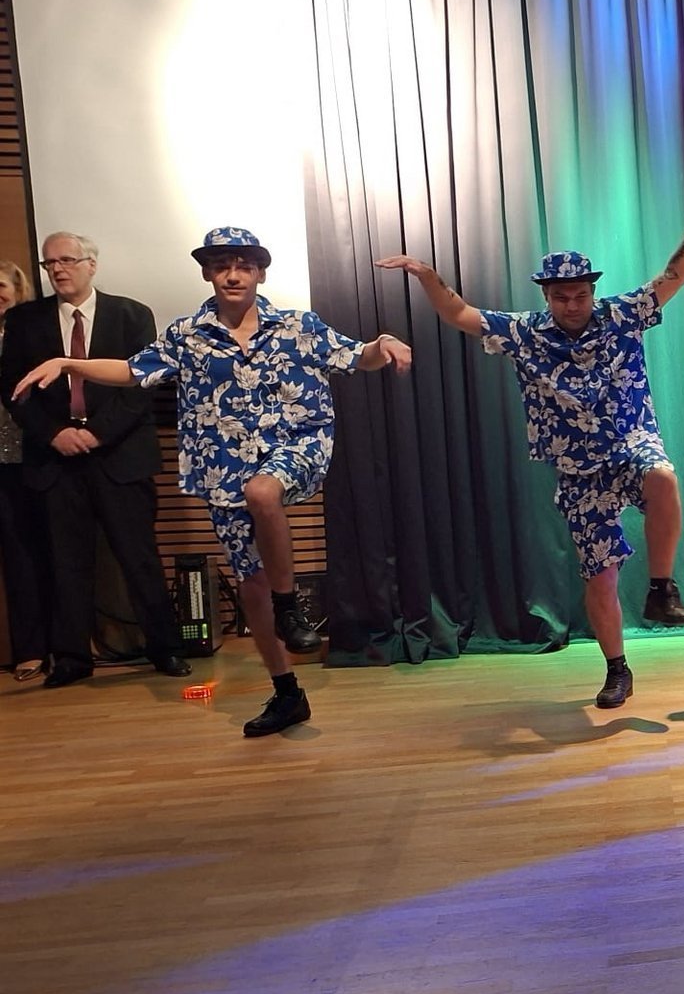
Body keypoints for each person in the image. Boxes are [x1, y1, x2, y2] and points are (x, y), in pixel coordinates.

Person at [13, 229, 413, 734]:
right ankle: (287, 692)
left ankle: (290, 609)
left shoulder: (298, 326)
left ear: (260, 273)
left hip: (297, 444)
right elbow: (132, 371)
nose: (233, 274)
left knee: (263, 490)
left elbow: (358, 357)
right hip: (221, 465)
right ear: (207, 273)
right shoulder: (188, 334)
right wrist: (69, 362)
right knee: (252, 583)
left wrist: (383, 343)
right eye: (222, 265)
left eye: (244, 265)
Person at [378, 202, 684, 708]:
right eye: (561, 297)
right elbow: (459, 313)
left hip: (630, 444)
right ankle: (617, 669)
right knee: (600, 576)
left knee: (662, 476)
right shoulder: (525, 332)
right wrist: (426, 275)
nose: (573, 306)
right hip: (578, 471)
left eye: (580, 296)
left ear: (592, 291)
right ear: (546, 296)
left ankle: (661, 589)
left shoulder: (621, 316)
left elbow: (674, 275)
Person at [0, 232, 188, 686]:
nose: (59, 270)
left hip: (120, 455)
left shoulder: (132, 314)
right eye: (50, 264)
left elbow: (142, 384)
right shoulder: (25, 320)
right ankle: (71, 659)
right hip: (55, 458)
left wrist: (96, 433)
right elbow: (13, 389)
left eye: (67, 260)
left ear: (91, 264)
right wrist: (55, 433)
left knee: (139, 558)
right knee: (66, 563)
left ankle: (165, 648)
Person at [0, 258, 53, 679]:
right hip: (1, 462)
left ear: (18, 291)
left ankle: (61, 645)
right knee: (15, 556)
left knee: (48, 551)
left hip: (36, 452)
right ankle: (30, 648)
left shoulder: (34, 330)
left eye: (1, 286)